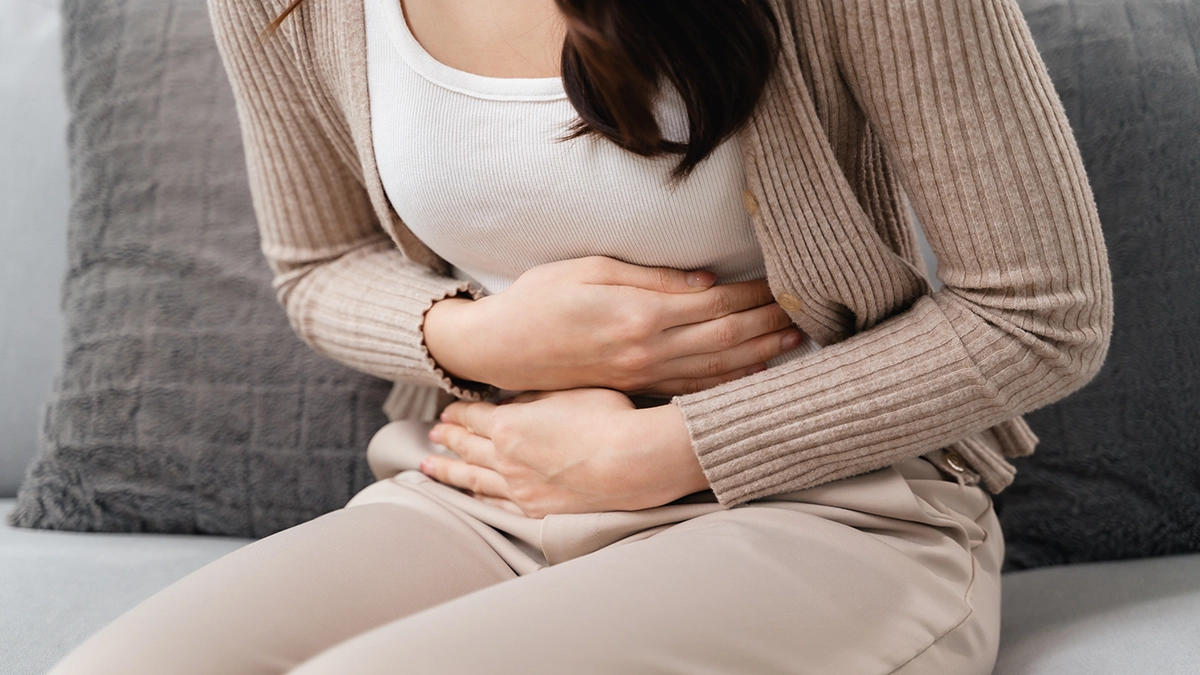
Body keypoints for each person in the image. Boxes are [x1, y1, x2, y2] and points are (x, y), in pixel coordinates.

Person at [50, 0, 1112, 672]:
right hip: (494, 488)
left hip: (831, 508)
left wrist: (664, 449)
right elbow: (316, 267)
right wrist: (485, 339)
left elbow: (1040, 313)